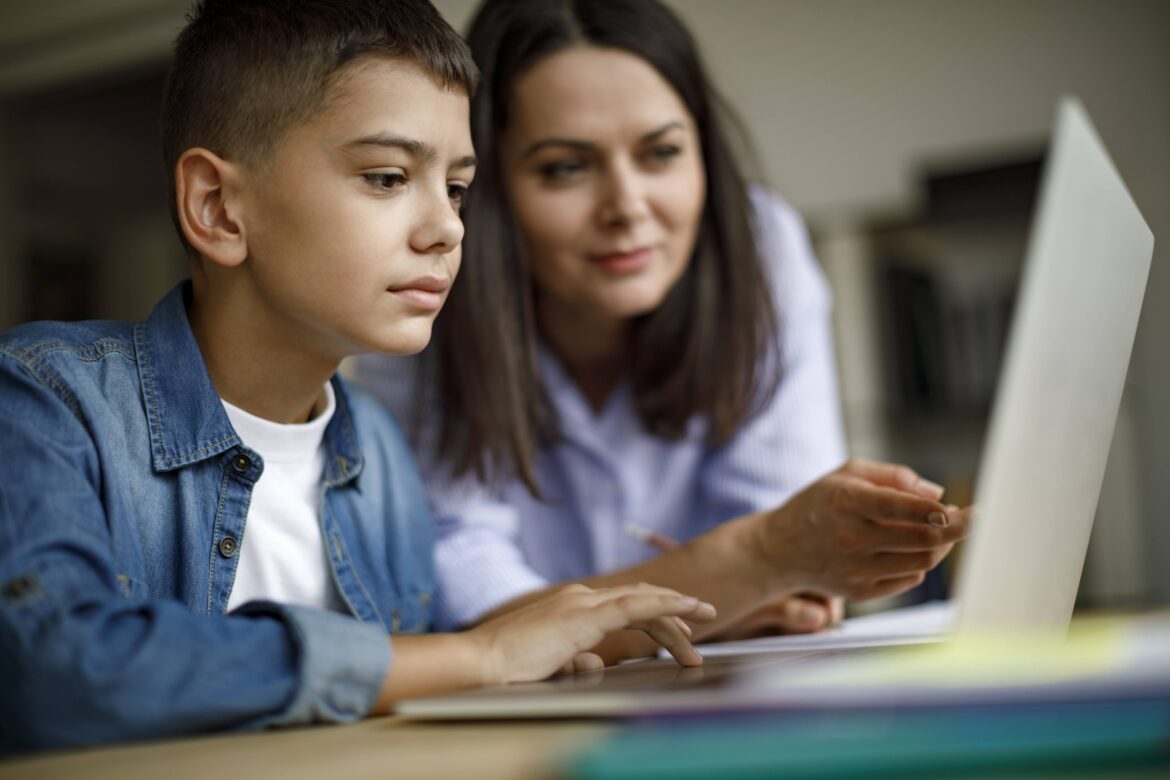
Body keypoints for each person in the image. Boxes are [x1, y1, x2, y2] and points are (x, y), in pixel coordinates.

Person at [0, 0, 720, 752]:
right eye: (386, 177)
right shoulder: (44, 400)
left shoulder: (377, 449)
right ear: (218, 208)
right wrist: (478, 656)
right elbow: (53, 674)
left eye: (457, 188)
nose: (447, 227)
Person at [355, 0, 970, 661]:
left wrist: (751, 572)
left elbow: (797, 582)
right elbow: (463, 598)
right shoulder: (428, 283)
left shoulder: (760, 248)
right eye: (566, 167)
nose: (627, 207)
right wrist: (746, 569)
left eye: (662, 153)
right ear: (489, 184)